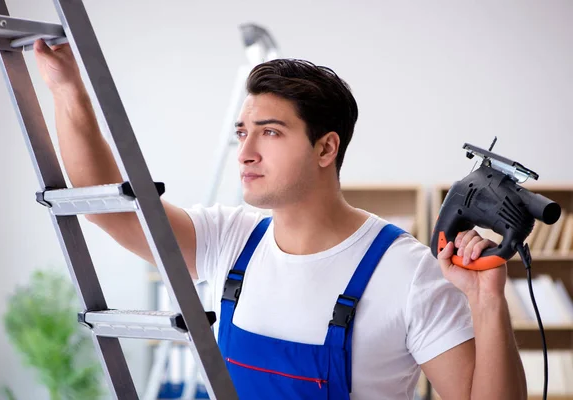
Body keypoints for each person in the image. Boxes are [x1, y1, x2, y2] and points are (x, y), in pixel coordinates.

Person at [33, 38, 527, 400]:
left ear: (325, 147)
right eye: (242, 132)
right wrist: (67, 91)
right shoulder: (232, 239)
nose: (245, 152)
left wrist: (487, 304)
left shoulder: (409, 272)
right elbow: (107, 208)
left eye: (269, 132)